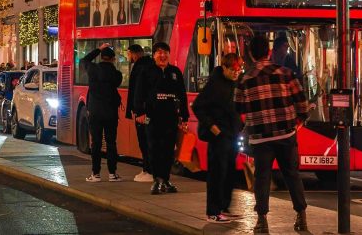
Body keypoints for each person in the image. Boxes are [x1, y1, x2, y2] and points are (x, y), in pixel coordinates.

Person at [235, 35, 309, 234]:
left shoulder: (245, 79)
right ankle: (301, 217)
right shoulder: (286, 74)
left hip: (260, 138)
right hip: (286, 134)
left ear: (251, 54)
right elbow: (302, 103)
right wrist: (298, 121)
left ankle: (262, 221)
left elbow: (238, 107)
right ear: (269, 52)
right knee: (292, 175)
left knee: (262, 178)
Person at [132, 41, 188, 195]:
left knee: (169, 150)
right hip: (152, 118)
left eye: (165, 53)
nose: (162, 56)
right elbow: (138, 93)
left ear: (169, 55)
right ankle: (157, 180)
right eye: (159, 52)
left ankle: (166, 179)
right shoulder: (146, 72)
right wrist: (140, 113)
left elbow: (182, 95)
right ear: (154, 55)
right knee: (154, 149)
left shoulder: (175, 72)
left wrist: (184, 115)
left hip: (171, 118)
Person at [193, 52, 243, 223]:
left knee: (229, 173)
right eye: (233, 69)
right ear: (224, 68)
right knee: (217, 174)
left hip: (232, 135)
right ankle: (213, 211)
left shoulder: (234, 83)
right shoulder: (215, 85)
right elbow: (198, 106)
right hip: (219, 136)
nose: (236, 72)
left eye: (239, 69)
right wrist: (213, 127)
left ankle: (224, 207)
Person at [81, 43, 123, 183]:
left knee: (96, 143)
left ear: (101, 57)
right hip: (110, 112)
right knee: (111, 142)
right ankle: (112, 173)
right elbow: (116, 85)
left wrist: (98, 49)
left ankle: (96, 174)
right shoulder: (116, 74)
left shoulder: (92, 69)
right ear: (113, 59)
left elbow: (84, 60)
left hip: (95, 111)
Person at [125, 43, 155, 182]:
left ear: (134, 54)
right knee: (144, 141)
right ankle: (146, 169)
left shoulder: (142, 67)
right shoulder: (146, 64)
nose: (128, 56)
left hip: (143, 112)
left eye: (128, 53)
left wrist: (139, 110)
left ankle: (149, 170)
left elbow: (139, 91)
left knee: (144, 141)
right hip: (142, 110)